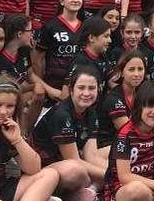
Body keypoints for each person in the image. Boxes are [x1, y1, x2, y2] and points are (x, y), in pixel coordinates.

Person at [31, 67, 105, 199]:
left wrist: (118, 172)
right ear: (71, 90)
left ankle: (90, 189)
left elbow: (91, 156)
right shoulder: (62, 114)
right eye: (81, 88)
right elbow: (73, 160)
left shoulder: (91, 112)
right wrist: (111, 175)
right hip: (45, 169)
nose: (87, 93)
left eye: (91, 88)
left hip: (69, 162)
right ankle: (58, 194)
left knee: (113, 152)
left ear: (98, 89)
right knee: (76, 171)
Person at [33, 0, 85, 104]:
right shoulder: (50, 26)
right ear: (62, 1)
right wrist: (45, 87)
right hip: (53, 87)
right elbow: (37, 59)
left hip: (78, 85)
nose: (76, 0)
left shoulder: (86, 28)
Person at [97, 50, 146, 157]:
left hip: (131, 144)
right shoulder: (113, 98)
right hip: (108, 146)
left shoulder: (142, 93)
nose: (137, 74)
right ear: (121, 72)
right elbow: (128, 131)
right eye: (131, 70)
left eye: (140, 69)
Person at [62, 17, 113, 96]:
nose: (110, 40)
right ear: (91, 38)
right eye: (106, 36)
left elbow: (112, 82)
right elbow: (65, 95)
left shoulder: (103, 57)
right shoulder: (79, 61)